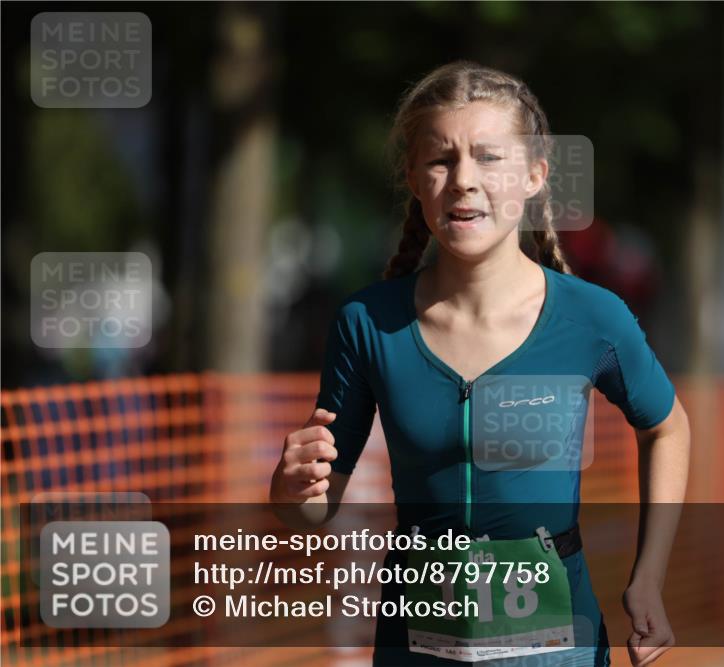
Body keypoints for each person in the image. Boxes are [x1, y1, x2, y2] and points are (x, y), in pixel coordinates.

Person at [270, 61, 690, 666]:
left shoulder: (593, 318)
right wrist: (288, 493)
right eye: (441, 159)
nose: (464, 179)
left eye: (489, 157)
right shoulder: (367, 324)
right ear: (415, 177)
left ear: (535, 175)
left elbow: (668, 427)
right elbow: (314, 506)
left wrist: (649, 577)